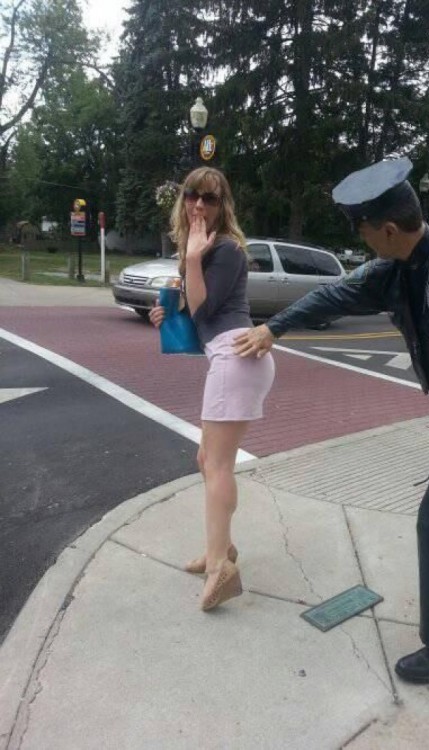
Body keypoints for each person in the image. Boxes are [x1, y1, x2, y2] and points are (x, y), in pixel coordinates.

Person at [234, 157, 429, 684]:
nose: (364, 239)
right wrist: (274, 328)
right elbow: (335, 293)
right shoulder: (397, 270)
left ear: (390, 229)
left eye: (365, 229)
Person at [149, 167, 275, 611]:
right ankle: (220, 547)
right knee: (208, 459)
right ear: (183, 199)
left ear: (224, 206)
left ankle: (220, 566)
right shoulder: (201, 249)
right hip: (230, 356)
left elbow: (204, 306)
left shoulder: (225, 250)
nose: (199, 205)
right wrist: (168, 315)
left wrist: (192, 261)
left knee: (218, 464)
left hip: (236, 358)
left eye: (210, 199)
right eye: (192, 196)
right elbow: (195, 314)